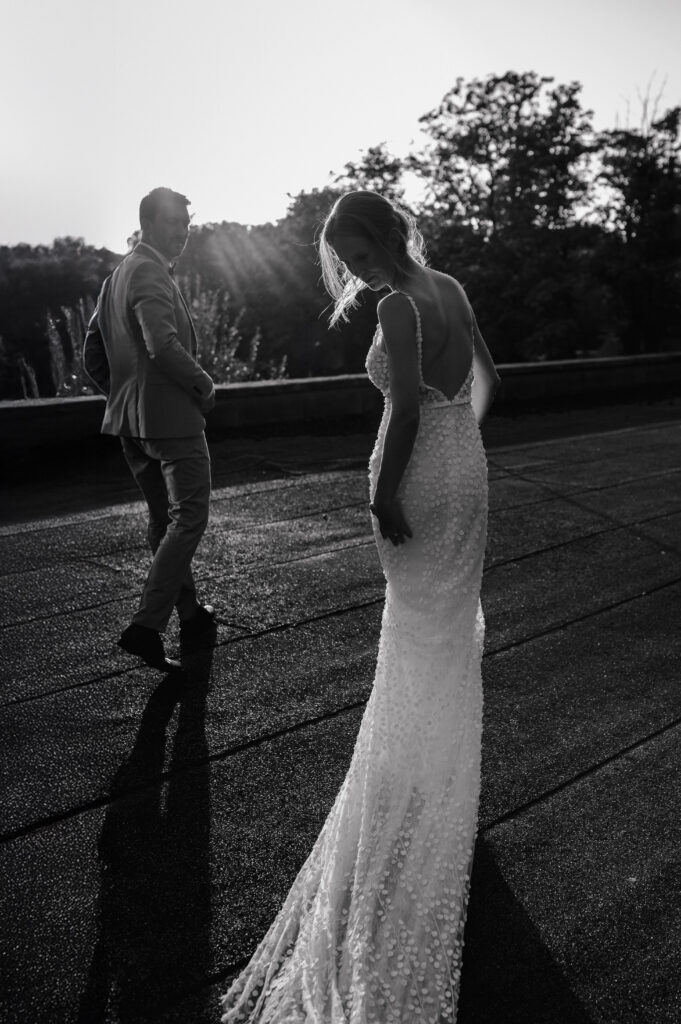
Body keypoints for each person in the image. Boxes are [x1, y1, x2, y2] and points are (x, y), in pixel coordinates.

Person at [220, 191, 500, 1023]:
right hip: (467, 474)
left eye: (356, 255)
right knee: (445, 630)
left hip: (418, 478)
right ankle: (440, 774)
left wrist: (383, 494)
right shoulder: (448, 284)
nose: (356, 271)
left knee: (417, 631)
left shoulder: (400, 304)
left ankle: (421, 783)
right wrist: (463, 447)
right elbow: (491, 380)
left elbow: (406, 407)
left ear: (376, 241)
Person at [83, 187, 217, 672]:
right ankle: (146, 626)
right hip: (170, 422)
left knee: (164, 520)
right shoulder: (147, 270)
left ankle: (192, 613)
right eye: (172, 224)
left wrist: (123, 396)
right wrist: (203, 384)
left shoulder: (116, 275)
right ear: (147, 224)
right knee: (190, 517)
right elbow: (162, 345)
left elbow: (91, 354)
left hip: (131, 426)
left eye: (186, 224)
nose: (181, 233)